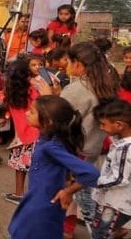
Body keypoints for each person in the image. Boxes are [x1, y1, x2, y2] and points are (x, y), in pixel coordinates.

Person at [7, 95, 100, 239]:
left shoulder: (51, 147)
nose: (27, 113)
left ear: (48, 122)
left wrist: (68, 191)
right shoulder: (49, 139)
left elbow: (92, 173)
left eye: (32, 112)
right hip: (36, 203)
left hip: (41, 210)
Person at [58, 42, 118, 226]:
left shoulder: (77, 90)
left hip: (74, 152)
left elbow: (58, 119)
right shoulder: (104, 85)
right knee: (85, 196)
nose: (66, 65)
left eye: (69, 61)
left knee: (86, 204)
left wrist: (50, 98)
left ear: (78, 63)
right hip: (91, 150)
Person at [2, 57, 41, 205]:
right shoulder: (33, 91)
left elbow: (3, 102)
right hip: (36, 134)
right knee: (35, 169)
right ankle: (34, 198)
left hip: (20, 136)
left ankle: (19, 194)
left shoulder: (9, 92)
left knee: (20, 167)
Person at [90, 99, 131, 239]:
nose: (101, 128)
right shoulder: (121, 143)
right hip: (113, 201)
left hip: (115, 203)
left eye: (103, 124)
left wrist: (95, 181)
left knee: (100, 233)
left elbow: (119, 178)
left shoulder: (125, 148)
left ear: (119, 125)